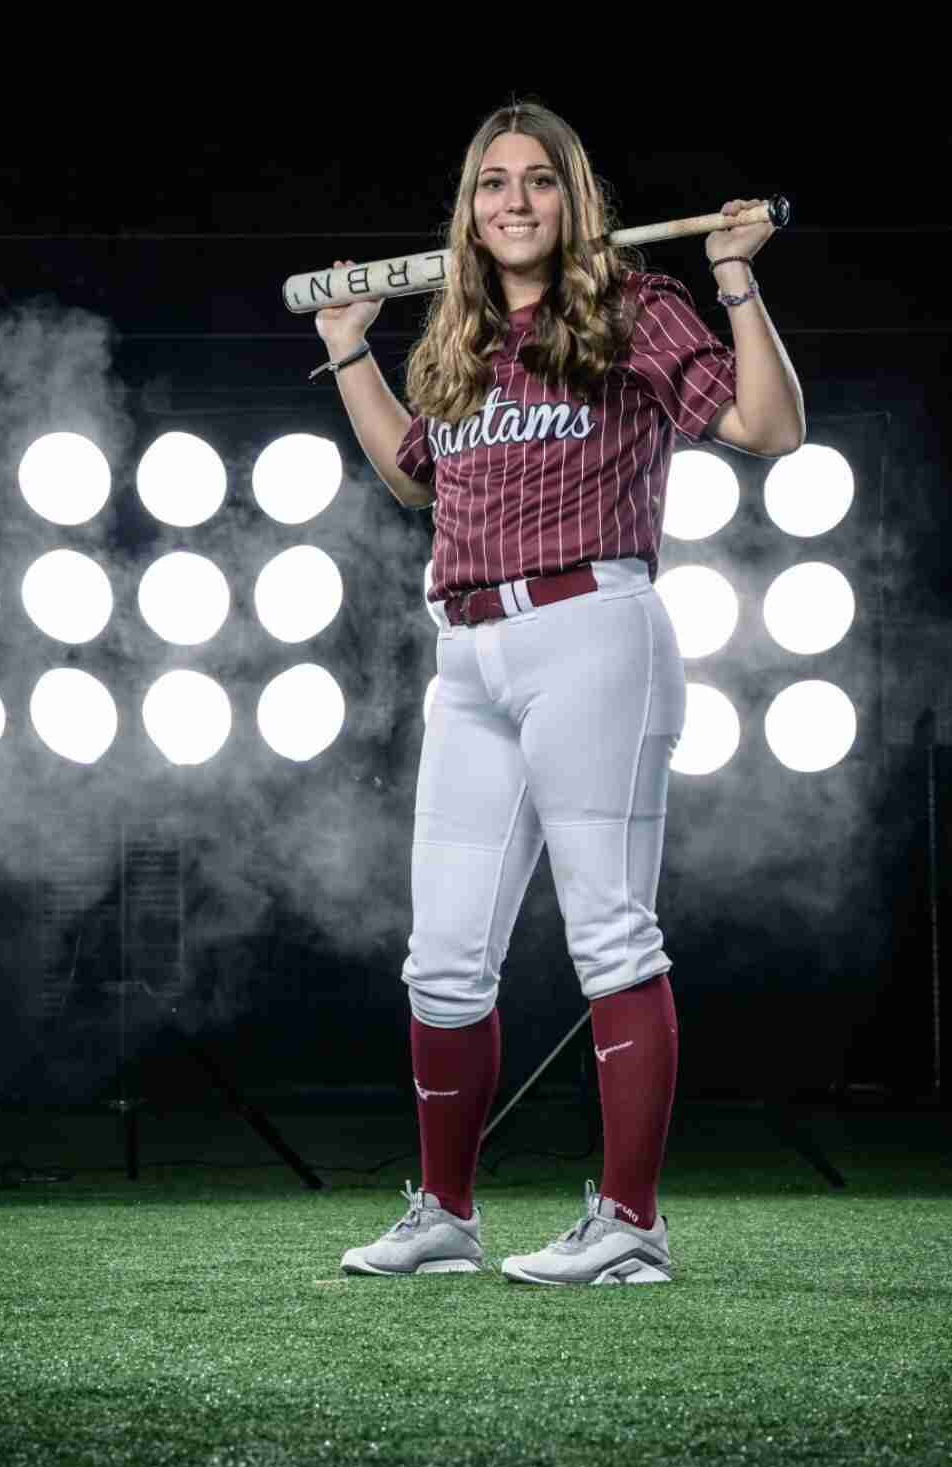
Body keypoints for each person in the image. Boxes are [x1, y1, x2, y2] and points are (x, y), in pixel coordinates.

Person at [317, 99, 805, 1285]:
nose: (515, 201)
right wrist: (348, 347)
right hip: (466, 651)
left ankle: (631, 1222)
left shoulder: (633, 305)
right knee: (443, 956)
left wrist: (734, 279)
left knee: (612, 934)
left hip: (593, 631)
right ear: (469, 209)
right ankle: (444, 1213)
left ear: (573, 199)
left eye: (539, 179)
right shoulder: (462, 335)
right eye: (493, 183)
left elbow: (769, 427)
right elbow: (415, 479)